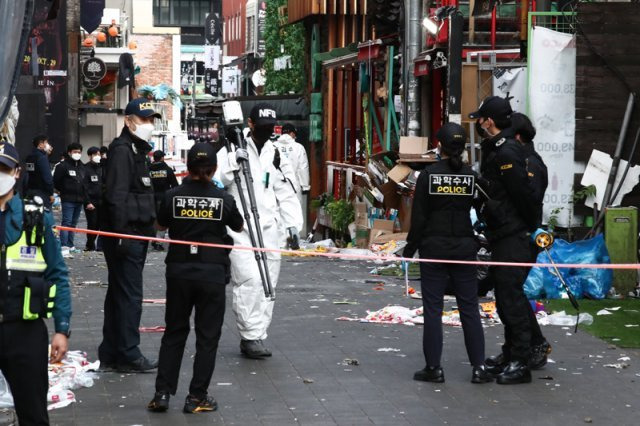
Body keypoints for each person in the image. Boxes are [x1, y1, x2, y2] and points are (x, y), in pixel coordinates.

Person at [147, 143, 243, 414]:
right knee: (207, 337)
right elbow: (238, 225)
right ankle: (196, 397)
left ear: (187, 168)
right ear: (213, 169)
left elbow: (161, 226)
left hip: (178, 271)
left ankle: (162, 394)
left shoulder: (172, 195)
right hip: (211, 273)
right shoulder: (222, 198)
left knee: (174, 332)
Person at [403, 123, 492, 384]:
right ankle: (479, 368)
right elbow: (486, 205)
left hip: (434, 248)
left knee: (433, 309)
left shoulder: (428, 176)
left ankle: (434, 368)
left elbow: (418, 218)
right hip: (464, 247)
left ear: (438, 146)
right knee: (469, 308)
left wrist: (409, 250)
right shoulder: (471, 176)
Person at [216, 103, 303, 359]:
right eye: (262, 127)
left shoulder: (275, 153)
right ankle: (250, 334)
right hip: (241, 227)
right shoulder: (232, 148)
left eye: (270, 128)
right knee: (249, 281)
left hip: (269, 229)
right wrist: (233, 162)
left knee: (268, 283)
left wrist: (292, 225)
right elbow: (217, 178)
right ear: (250, 125)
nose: (267, 132)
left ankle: (259, 333)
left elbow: (286, 191)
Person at [470, 96, 541, 384]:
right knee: (503, 298)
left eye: (481, 119)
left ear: (489, 121)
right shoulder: (498, 149)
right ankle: (511, 354)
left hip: (513, 235)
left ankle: (521, 362)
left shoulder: (508, 152)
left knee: (511, 299)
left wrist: (520, 225)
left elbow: (524, 197)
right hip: (503, 233)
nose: (478, 124)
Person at [0, 141, 71, 425]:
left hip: (24, 332)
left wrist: (62, 329)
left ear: (16, 172)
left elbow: (57, 274)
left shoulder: (35, 218)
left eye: (3, 168)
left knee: (33, 416)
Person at [99, 98, 159, 372]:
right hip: (127, 235)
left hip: (134, 233)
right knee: (130, 295)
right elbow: (116, 197)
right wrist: (122, 235)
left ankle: (112, 351)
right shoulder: (123, 150)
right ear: (128, 120)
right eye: (144, 119)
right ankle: (128, 352)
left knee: (119, 293)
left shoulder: (136, 150)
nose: (149, 124)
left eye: (151, 120)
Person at [508, 112, 552, 368]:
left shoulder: (530, 164)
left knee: (513, 293)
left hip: (524, 237)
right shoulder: (519, 160)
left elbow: (529, 201)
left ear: (516, 137)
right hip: (516, 235)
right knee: (509, 293)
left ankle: (534, 344)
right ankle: (524, 345)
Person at [54, 143, 92, 251]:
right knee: (66, 222)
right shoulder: (62, 166)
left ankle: (70, 245)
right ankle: (64, 245)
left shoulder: (82, 167)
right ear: (70, 152)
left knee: (73, 223)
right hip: (67, 199)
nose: (77, 154)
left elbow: (84, 184)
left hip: (79, 199)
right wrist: (64, 190)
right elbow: (56, 181)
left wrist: (86, 199)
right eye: (75, 152)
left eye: (79, 152)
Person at [274, 124, 310, 231]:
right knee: (294, 212)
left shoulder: (273, 146)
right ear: (292, 133)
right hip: (294, 186)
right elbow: (303, 168)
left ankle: (279, 237)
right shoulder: (298, 147)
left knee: (278, 211)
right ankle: (294, 236)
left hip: (276, 185)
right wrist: (305, 186)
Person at [149, 150, 178, 251]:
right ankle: (158, 241)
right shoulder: (167, 169)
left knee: (153, 219)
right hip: (164, 198)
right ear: (162, 158)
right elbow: (175, 185)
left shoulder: (148, 169)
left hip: (150, 198)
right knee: (163, 219)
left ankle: (153, 240)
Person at [24, 134, 54, 208]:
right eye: (46, 143)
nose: (48, 145)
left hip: (30, 191)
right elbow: (48, 178)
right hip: (42, 193)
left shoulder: (30, 157)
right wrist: (51, 193)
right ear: (40, 145)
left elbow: (28, 174)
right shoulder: (42, 158)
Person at [83, 146, 103, 251]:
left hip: (101, 201)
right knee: (92, 224)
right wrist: (87, 202)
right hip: (91, 201)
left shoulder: (102, 168)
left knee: (100, 224)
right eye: (95, 154)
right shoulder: (85, 168)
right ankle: (89, 244)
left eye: (99, 154)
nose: (97, 157)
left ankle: (97, 245)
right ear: (90, 156)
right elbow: (84, 187)